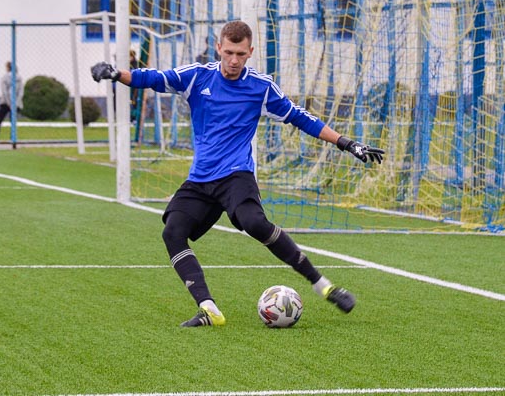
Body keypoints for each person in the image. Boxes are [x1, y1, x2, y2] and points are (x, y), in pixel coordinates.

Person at [90, 20, 384, 327]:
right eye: (229, 52)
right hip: (201, 178)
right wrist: (117, 74)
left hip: (236, 176)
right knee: (172, 232)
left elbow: (300, 118)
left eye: (240, 54)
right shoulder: (197, 77)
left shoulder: (260, 87)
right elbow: (153, 78)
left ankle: (323, 286)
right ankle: (208, 309)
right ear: (218, 48)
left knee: (254, 223)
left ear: (250, 52)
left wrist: (347, 143)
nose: (233, 60)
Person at [0, 61, 24, 140]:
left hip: (5, 102)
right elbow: (21, 92)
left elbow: (4, 91)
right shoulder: (19, 78)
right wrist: (16, 103)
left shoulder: (5, 78)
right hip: (16, 102)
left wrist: (9, 103)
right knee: (13, 121)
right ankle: (13, 137)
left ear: (7, 68)